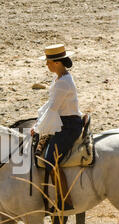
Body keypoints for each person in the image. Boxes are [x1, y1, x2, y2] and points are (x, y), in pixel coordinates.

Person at [31, 44, 83, 212]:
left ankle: (64, 200)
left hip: (68, 125)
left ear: (57, 63)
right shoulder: (60, 78)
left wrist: (38, 128)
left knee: (49, 159)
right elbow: (50, 105)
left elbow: (53, 108)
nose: (47, 65)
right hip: (63, 121)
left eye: (48, 62)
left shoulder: (62, 83)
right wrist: (38, 122)